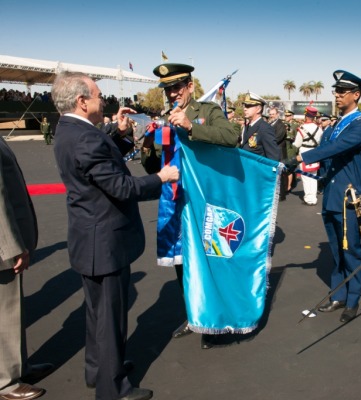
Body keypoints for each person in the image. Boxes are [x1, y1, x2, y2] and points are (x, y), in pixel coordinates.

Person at [52, 71, 179, 400]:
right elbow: (121, 186)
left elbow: (98, 154)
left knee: (97, 315)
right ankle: (113, 389)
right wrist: (162, 177)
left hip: (89, 237)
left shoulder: (69, 129)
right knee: (110, 320)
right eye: (97, 96)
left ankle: (99, 370)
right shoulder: (86, 138)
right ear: (82, 102)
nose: (102, 101)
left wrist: (118, 132)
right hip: (105, 240)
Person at [141, 63, 239, 345]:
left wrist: (190, 126)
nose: (172, 94)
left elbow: (232, 137)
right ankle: (195, 315)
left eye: (177, 87)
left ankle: (216, 319)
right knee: (183, 266)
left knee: (210, 260)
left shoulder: (207, 111)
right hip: (175, 203)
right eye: (167, 89)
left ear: (190, 87)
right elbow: (152, 167)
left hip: (205, 201)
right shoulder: (162, 119)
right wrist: (147, 144)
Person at [287, 70, 361, 323]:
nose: (336, 95)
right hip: (334, 194)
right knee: (337, 249)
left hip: (351, 197)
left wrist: (300, 158)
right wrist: (315, 172)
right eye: (335, 91)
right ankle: (339, 294)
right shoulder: (337, 124)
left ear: (356, 95)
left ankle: (353, 299)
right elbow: (327, 151)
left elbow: (336, 148)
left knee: (352, 250)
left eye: (342, 92)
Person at [0, 137, 54, 400]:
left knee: (13, 312)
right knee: (4, 312)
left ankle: (19, 366)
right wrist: (10, 247)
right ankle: (5, 382)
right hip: (3, 245)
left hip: (8, 240)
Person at [293, 106, 323, 206]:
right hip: (315, 152)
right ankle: (313, 198)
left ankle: (308, 198)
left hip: (304, 153)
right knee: (313, 176)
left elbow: (297, 144)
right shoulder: (319, 128)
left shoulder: (302, 128)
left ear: (306, 116)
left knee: (306, 177)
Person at [240, 92, 279, 161]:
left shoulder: (265, 128)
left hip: (257, 170)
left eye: (248, 106)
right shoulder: (247, 126)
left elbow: (273, 157)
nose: (245, 109)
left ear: (258, 109)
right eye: (245, 106)